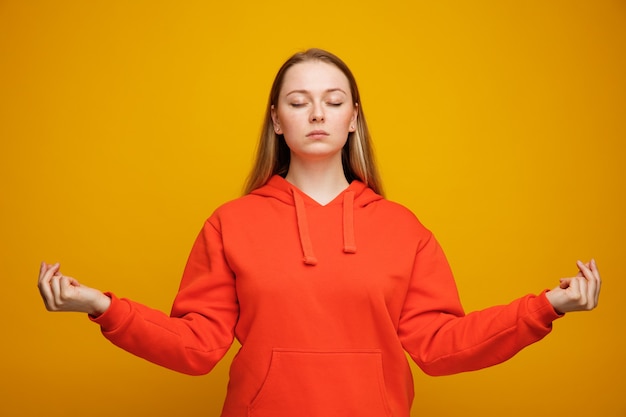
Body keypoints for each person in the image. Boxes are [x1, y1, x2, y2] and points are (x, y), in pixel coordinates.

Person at [38, 48, 601, 417]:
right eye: (298, 102)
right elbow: (196, 347)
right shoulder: (230, 223)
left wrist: (545, 306)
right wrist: (102, 306)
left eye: (332, 102)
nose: (316, 114)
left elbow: (440, 345)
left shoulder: (402, 228)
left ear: (352, 117)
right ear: (277, 120)